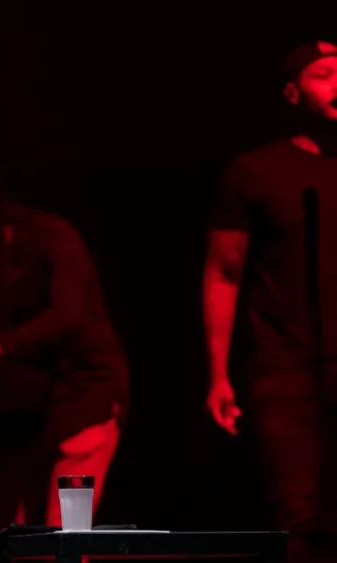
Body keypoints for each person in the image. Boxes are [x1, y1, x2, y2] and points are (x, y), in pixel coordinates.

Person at [203, 40, 336, 563]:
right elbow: (223, 271)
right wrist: (218, 372)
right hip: (285, 366)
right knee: (297, 516)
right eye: (325, 74)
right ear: (291, 91)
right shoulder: (257, 172)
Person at [0, 165, 129, 530]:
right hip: (35, 410)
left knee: (70, 531)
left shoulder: (51, 237)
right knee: (15, 532)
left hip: (86, 402)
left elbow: (69, 314)